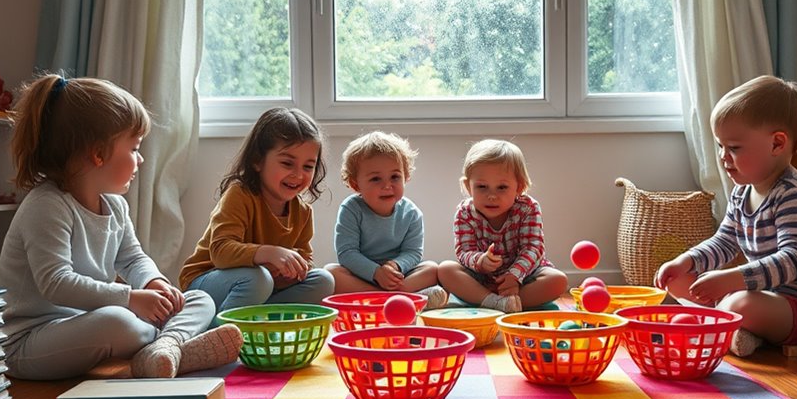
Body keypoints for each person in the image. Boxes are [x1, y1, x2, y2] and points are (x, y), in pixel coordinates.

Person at [0, 74, 241, 381]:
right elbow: (56, 283)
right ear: (98, 154)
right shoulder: (46, 205)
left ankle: (165, 348)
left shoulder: (115, 206)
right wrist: (130, 299)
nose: (141, 159)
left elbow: (133, 258)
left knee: (198, 299)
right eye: (134, 148)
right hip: (28, 343)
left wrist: (153, 282)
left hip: (83, 325)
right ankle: (173, 345)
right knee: (119, 322)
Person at [654, 75, 797, 356]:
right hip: (761, 296)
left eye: (734, 148)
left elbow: (793, 261)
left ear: (777, 144)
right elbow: (724, 242)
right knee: (677, 280)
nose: (723, 157)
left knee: (741, 303)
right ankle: (737, 330)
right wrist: (686, 261)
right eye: (720, 146)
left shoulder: (794, 195)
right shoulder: (741, 193)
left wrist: (730, 280)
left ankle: (720, 325)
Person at [179, 108, 335, 319]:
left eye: (308, 166)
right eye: (287, 163)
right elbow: (220, 252)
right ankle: (217, 332)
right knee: (259, 279)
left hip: (260, 286)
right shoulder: (240, 194)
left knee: (323, 280)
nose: (298, 175)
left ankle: (263, 324)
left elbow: (305, 257)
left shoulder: (303, 211)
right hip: (205, 283)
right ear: (257, 161)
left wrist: (292, 269)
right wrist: (268, 254)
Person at [438, 139, 567, 313]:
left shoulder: (528, 208)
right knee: (445, 269)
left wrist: (515, 275)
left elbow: (533, 248)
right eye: (482, 186)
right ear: (468, 186)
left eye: (502, 187)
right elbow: (463, 250)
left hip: (523, 277)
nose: (492, 196)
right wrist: (480, 261)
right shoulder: (465, 212)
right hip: (482, 278)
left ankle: (508, 302)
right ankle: (493, 301)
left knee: (557, 280)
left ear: (519, 187)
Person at [325, 131, 448, 308]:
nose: (387, 185)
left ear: (406, 177)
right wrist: (376, 272)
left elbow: (413, 252)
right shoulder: (351, 209)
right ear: (355, 184)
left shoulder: (411, 213)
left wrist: (394, 266)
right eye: (376, 179)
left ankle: (382, 299)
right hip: (363, 275)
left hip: (398, 276)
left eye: (395, 177)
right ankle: (404, 299)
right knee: (331, 273)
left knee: (432, 269)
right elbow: (347, 253)